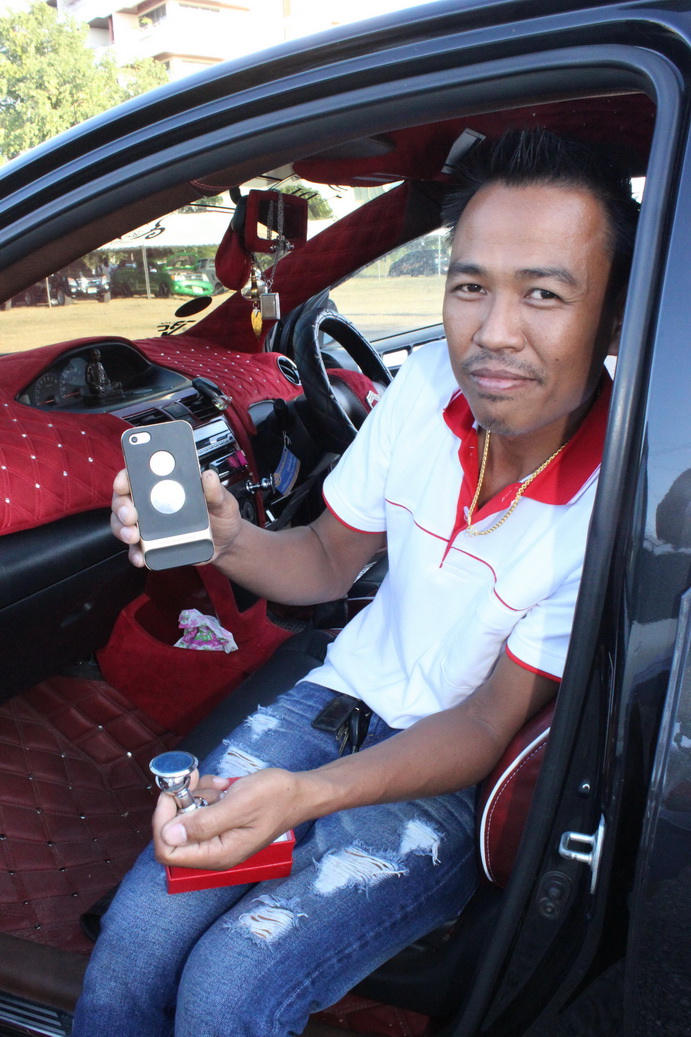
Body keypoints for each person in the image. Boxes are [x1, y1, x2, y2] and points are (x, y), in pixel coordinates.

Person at [73, 128, 639, 1037]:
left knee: (227, 986)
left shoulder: (615, 502)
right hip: (330, 699)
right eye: (470, 286)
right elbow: (327, 560)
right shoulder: (422, 384)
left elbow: (483, 723)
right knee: (133, 941)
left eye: (543, 294)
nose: (494, 333)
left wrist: (304, 797)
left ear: (613, 320)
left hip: (444, 777)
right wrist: (225, 537)